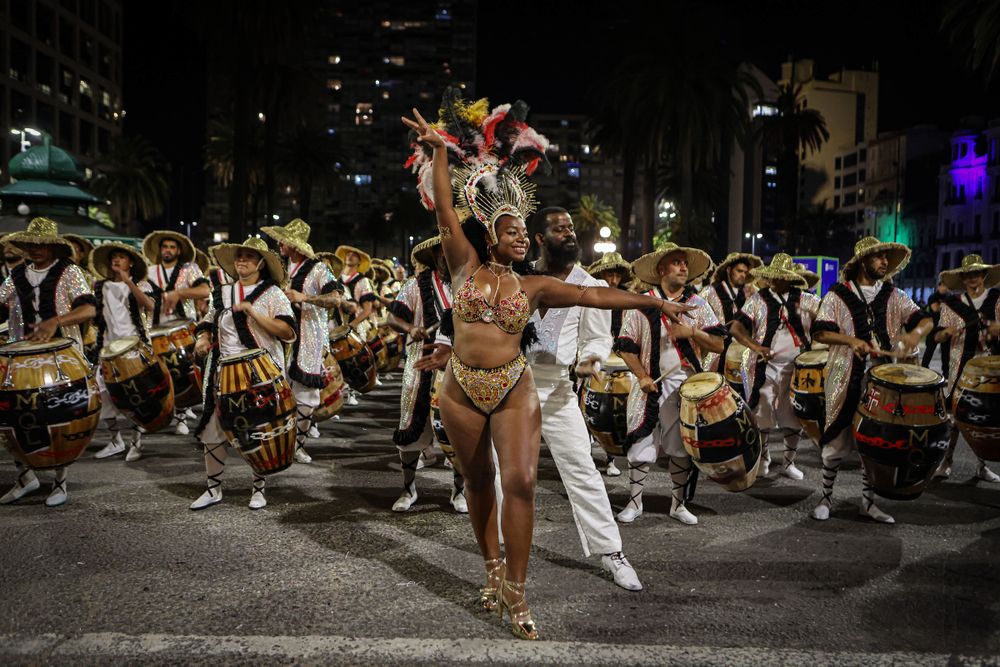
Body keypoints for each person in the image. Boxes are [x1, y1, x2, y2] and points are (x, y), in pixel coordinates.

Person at [402, 98, 691, 640]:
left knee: (532, 480)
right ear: (497, 235)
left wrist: (654, 303)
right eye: (519, 229)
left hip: (530, 387)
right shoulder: (462, 262)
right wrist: (439, 152)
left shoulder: (539, 287)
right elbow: (444, 211)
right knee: (479, 483)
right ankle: (492, 570)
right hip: (462, 388)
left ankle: (550, 575)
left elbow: (595, 296)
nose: (532, 233)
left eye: (537, 228)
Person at [526, 206, 642, 591]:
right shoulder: (520, 276)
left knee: (582, 469)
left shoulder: (587, 283)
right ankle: (504, 549)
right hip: (513, 388)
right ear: (540, 238)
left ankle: (612, 552)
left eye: (571, 228)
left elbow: (597, 338)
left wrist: (589, 359)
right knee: (502, 470)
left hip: (559, 388)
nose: (569, 234)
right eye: (560, 229)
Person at [810, 237, 934, 523]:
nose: (884, 263)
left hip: (881, 380)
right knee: (836, 440)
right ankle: (826, 497)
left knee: (875, 441)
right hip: (844, 375)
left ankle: (867, 502)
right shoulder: (837, 295)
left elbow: (925, 319)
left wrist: (915, 335)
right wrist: (850, 340)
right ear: (863, 261)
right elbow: (820, 333)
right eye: (878, 257)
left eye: (886, 258)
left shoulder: (894, 295)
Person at [614, 243, 727, 526]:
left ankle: (678, 504)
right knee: (641, 444)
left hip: (687, 385)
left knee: (680, 446)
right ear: (661, 269)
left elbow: (719, 344)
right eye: (676, 262)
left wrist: (691, 331)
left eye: (684, 263)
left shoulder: (699, 305)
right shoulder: (642, 302)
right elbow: (626, 346)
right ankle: (635, 502)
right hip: (649, 383)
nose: (683, 267)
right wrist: (641, 376)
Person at [191, 238, 295, 510]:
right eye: (239, 256)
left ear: (261, 263)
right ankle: (213, 488)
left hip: (262, 371)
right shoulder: (221, 292)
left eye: (249, 257)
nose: (242, 261)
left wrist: (253, 313)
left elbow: (287, 332)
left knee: (260, 427)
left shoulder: (273, 294)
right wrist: (202, 340)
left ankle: (258, 489)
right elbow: (207, 323)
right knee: (213, 427)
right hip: (222, 369)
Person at [0, 217, 96, 506]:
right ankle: (25, 477)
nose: (35, 249)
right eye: (31, 244)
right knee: (11, 417)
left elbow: (89, 309)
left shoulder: (69, 272)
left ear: (54, 247)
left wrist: (56, 321)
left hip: (62, 355)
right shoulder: (17, 275)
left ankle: (60, 481)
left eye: (42, 245)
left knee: (59, 416)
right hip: (21, 357)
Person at [385, 236, 467, 513]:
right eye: (442, 252)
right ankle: (408, 489)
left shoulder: (470, 284)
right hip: (419, 367)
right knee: (410, 429)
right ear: (433, 255)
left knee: (459, 433)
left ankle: (459, 491)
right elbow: (391, 318)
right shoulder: (414, 285)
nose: (447, 256)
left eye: (451, 250)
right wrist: (409, 328)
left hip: (458, 366)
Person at [729, 254, 820, 480]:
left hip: (797, 368)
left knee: (794, 415)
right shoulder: (758, 300)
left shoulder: (807, 300)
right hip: (763, 367)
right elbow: (736, 328)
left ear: (790, 278)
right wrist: (755, 346)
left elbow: (827, 322)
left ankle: (789, 462)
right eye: (773, 277)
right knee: (762, 413)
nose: (776, 281)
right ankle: (764, 458)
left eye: (781, 277)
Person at [262, 218, 341, 465]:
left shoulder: (318, 268)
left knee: (306, 398)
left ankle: (298, 444)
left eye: (283, 240)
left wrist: (304, 296)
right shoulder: (280, 267)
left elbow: (336, 298)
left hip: (308, 337)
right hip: (280, 337)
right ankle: (281, 442)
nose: (279, 243)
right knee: (279, 392)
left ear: (293, 244)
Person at [932, 254, 1000, 482]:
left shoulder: (997, 299)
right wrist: (946, 332)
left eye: (977, 273)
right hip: (960, 366)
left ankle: (981, 466)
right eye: (969, 274)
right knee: (953, 417)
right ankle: (946, 461)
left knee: (985, 417)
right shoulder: (951, 304)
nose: (973, 277)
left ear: (984, 275)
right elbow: (938, 337)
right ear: (963, 278)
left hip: (990, 370)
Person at [88, 243, 156, 462]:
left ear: (131, 263)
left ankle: (136, 443)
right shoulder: (100, 286)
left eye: (121, 257)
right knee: (103, 394)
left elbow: (150, 306)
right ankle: (116, 440)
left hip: (134, 348)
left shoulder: (141, 284)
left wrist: (128, 282)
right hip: (107, 349)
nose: (116, 261)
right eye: (113, 258)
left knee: (136, 397)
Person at [142, 230, 210, 434]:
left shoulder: (189, 269)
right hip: (154, 331)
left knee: (183, 373)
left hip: (182, 328)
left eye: (172, 247)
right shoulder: (149, 271)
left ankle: (182, 416)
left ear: (179, 250)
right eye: (165, 247)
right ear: (160, 250)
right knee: (157, 376)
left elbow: (205, 291)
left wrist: (178, 293)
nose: (168, 250)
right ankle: (160, 415)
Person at [586, 251, 635, 477]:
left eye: (616, 276)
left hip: (620, 358)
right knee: (585, 399)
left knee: (618, 407)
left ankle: (610, 456)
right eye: (609, 275)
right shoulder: (593, 294)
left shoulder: (627, 298)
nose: (612, 280)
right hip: (594, 355)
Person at [700, 251, 761, 372]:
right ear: (729, 270)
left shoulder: (752, 292)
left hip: (743, 351)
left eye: (745, 272)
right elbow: (696, 314)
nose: (743, 275)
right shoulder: (710, 291)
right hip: (717, 352)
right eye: (739, 271)